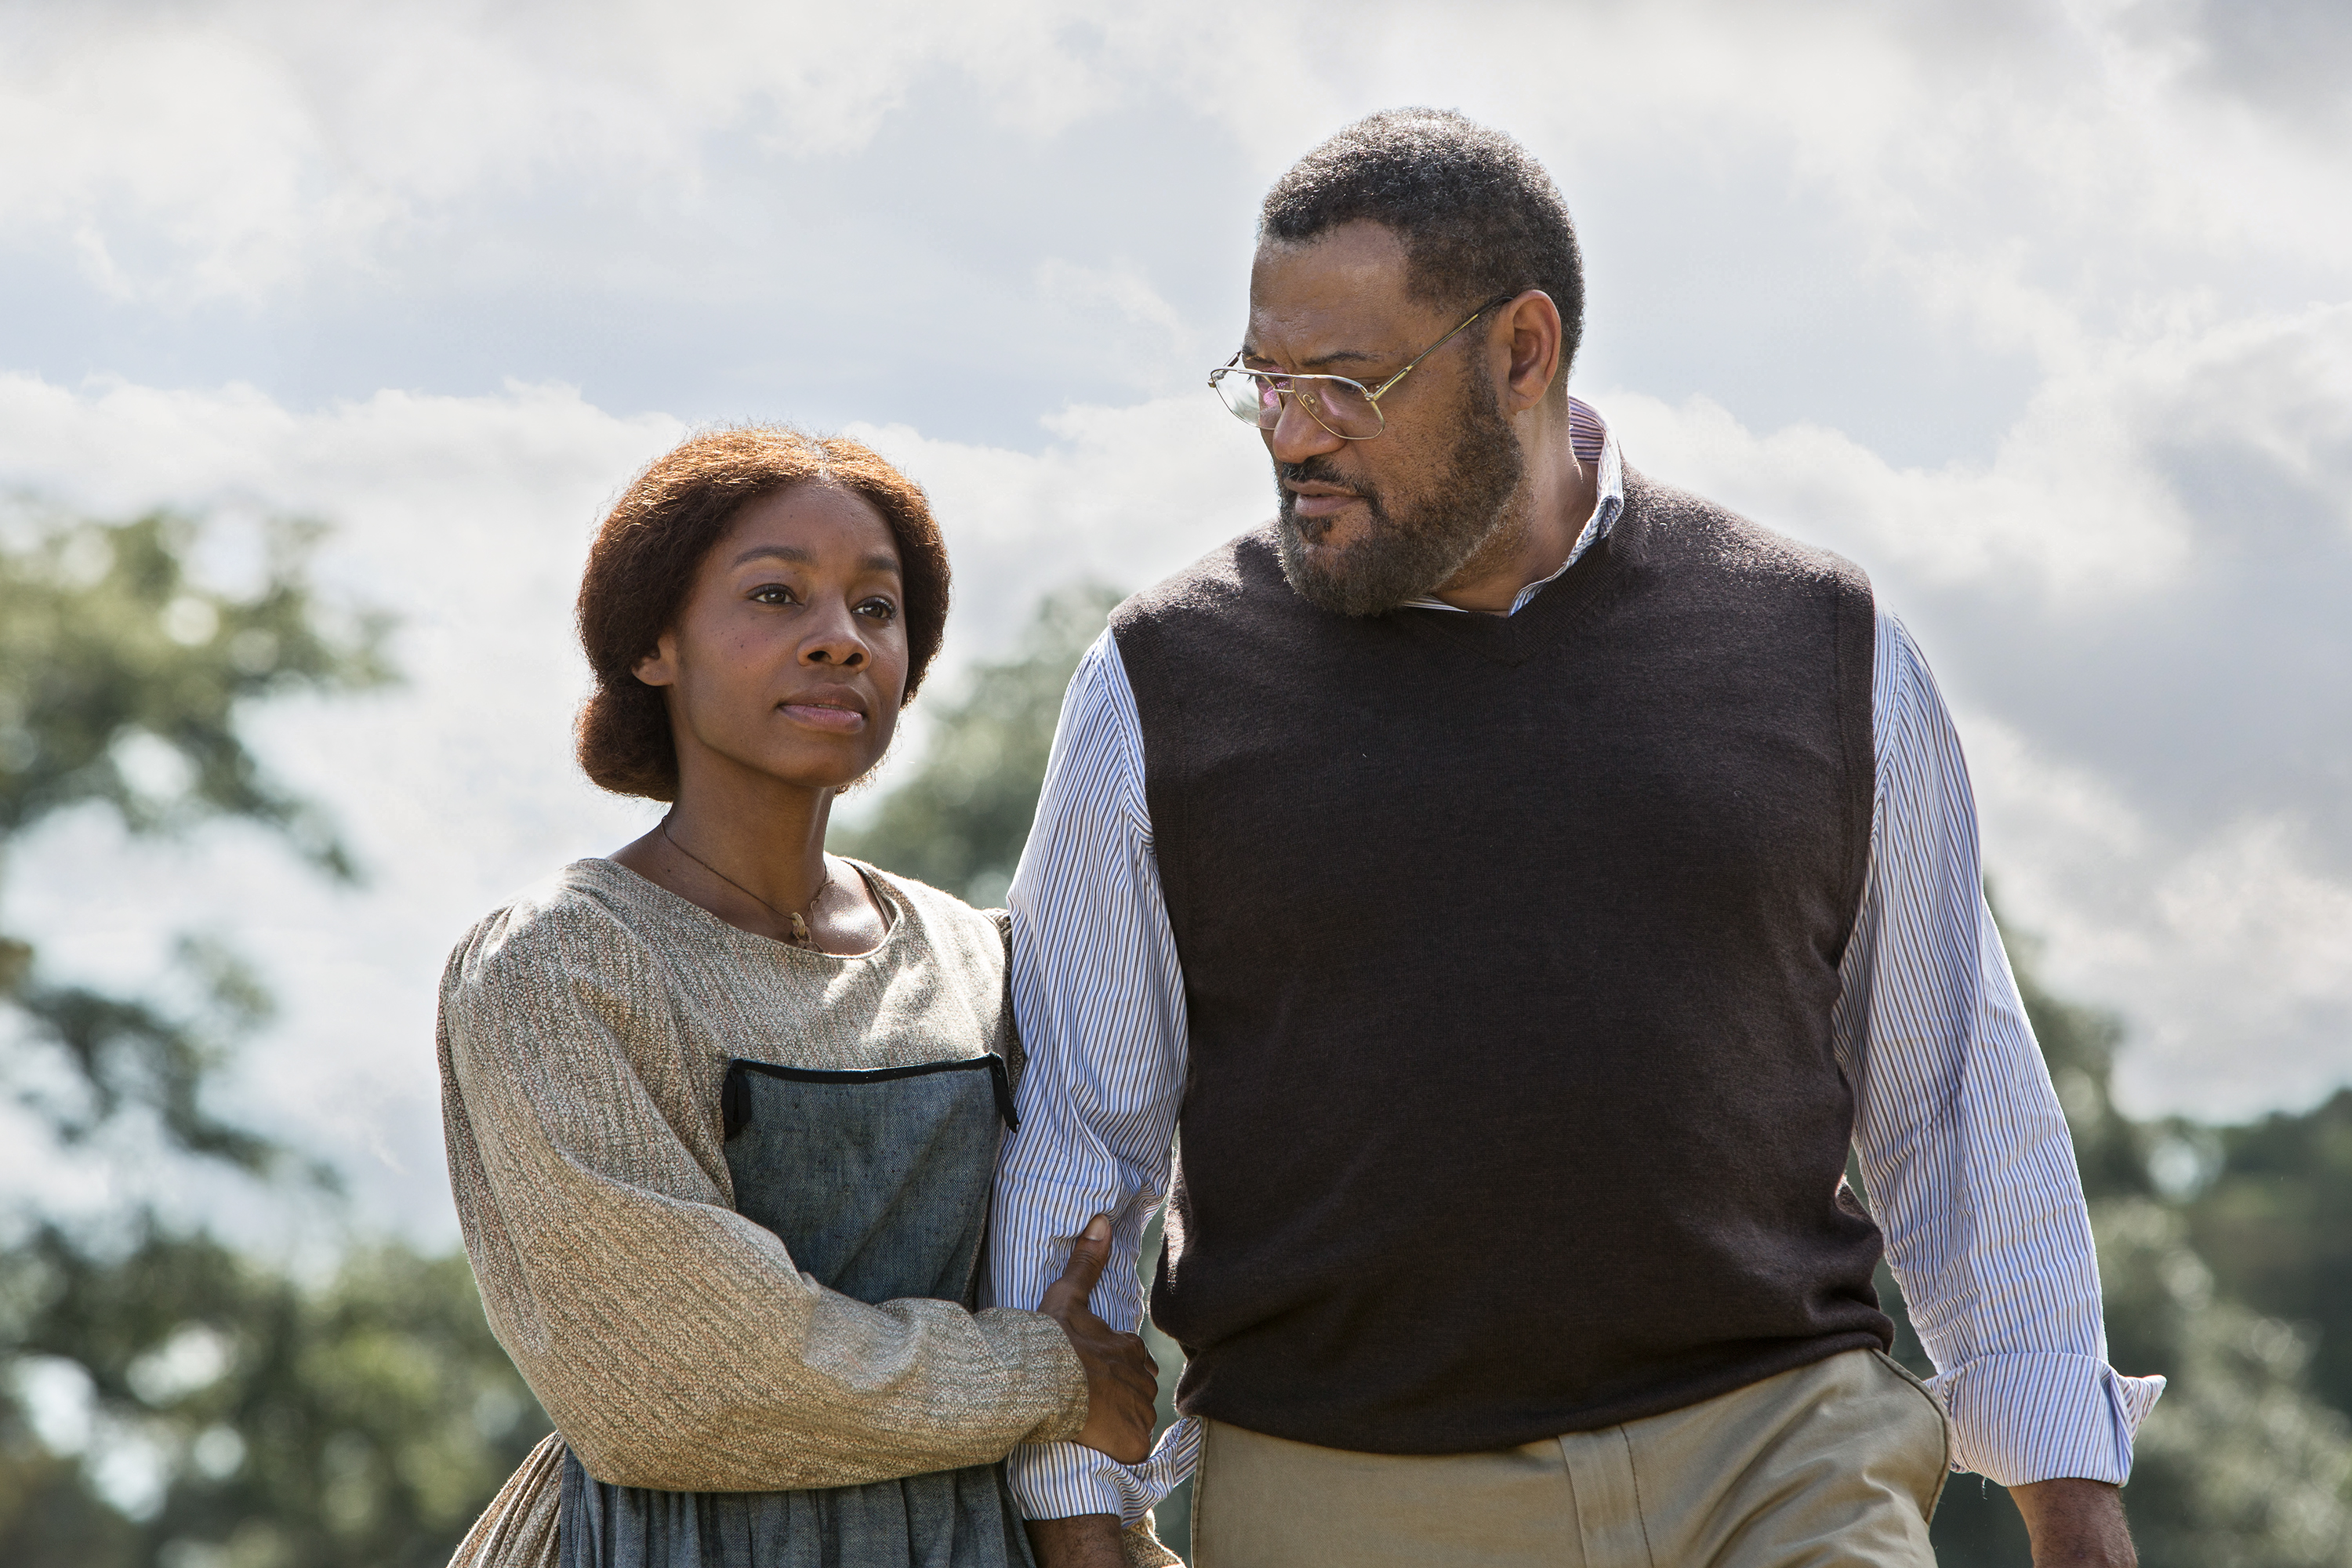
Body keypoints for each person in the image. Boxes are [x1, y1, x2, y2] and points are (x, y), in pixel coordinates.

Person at [993, 111, 2163, 1568]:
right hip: (1347, 1486)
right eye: (1266, 380)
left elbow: (1952, 1091)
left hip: (1781, 1455)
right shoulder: (1157, 681)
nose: (1294, 433)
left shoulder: (1821, 638)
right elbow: (1080, 1136)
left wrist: (2074, 1494)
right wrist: (1077, 1515)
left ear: (1523, 352)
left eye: (1347, 383)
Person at [435, 427, 1165, 1568]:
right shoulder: (560, 965)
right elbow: (681, 1382)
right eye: (777, 596)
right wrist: (1043, 1374)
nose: (839, 642)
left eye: (876, 610)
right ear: (655, 645)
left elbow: (1079, 1249)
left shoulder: (984, 961)